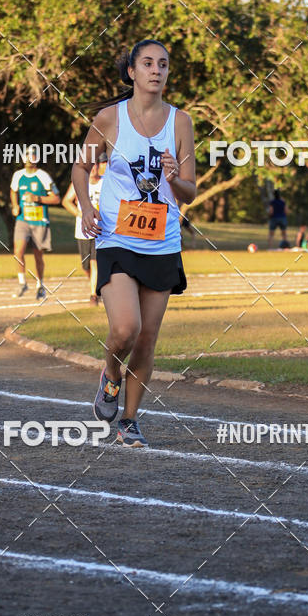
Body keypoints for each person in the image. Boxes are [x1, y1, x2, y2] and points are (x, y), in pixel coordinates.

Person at [72, 39, 196, 448]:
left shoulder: (181, 122)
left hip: (161, 242)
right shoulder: (109, 118)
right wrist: (87, 207)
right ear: (132, 72)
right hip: (116, 237)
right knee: (126, 329)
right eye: (147, 63)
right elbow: (81, 166)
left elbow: (189, 191)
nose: (156, 70)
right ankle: (110, 375)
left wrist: (176, 176)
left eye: (163, 64)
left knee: (146, 339)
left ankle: (129, 420)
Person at [10, 144, 61, 299]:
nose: (28, 158)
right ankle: (22, 282)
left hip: (39, 220)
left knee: (38, 255)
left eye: (32, 155)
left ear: (37, 158)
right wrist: (15, 205)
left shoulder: (43, 176)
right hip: (23, 219)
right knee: (18, 251)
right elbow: (13, 190)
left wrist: (38, 198)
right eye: (26, 155)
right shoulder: (18, 175)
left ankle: (40, 285)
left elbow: (56, 198)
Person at [62, 155, 106, 305]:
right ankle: (95, 285)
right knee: (85, 265)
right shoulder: (79, 182)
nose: (93, 168)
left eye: (95, 165)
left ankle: (93, 295)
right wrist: (80, 214)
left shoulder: (105, 183)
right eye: (90, 166)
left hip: (100, 229)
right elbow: (66, 201)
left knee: (95, 262)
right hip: (83, 229)